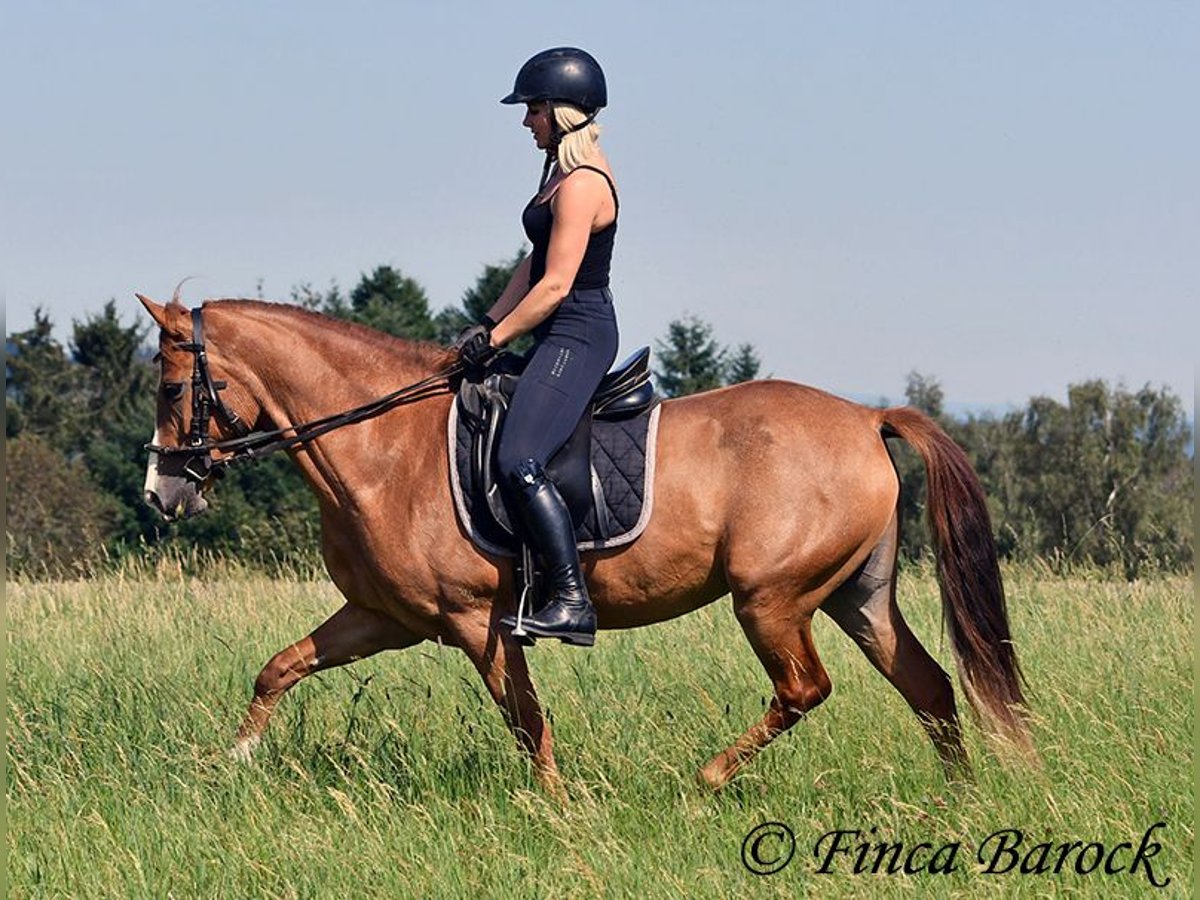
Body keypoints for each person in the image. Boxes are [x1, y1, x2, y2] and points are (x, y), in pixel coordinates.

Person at [454, 47, 620, 648]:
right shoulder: (557, 178)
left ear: (560, 110)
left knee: (518, 458)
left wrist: (499, 338)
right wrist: (485, 322)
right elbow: (534, 263)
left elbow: (555, 285)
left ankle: (571, 601)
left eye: (532, 110)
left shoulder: (583, 185)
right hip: (556, 328)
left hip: (578, 331)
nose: (527, 122)